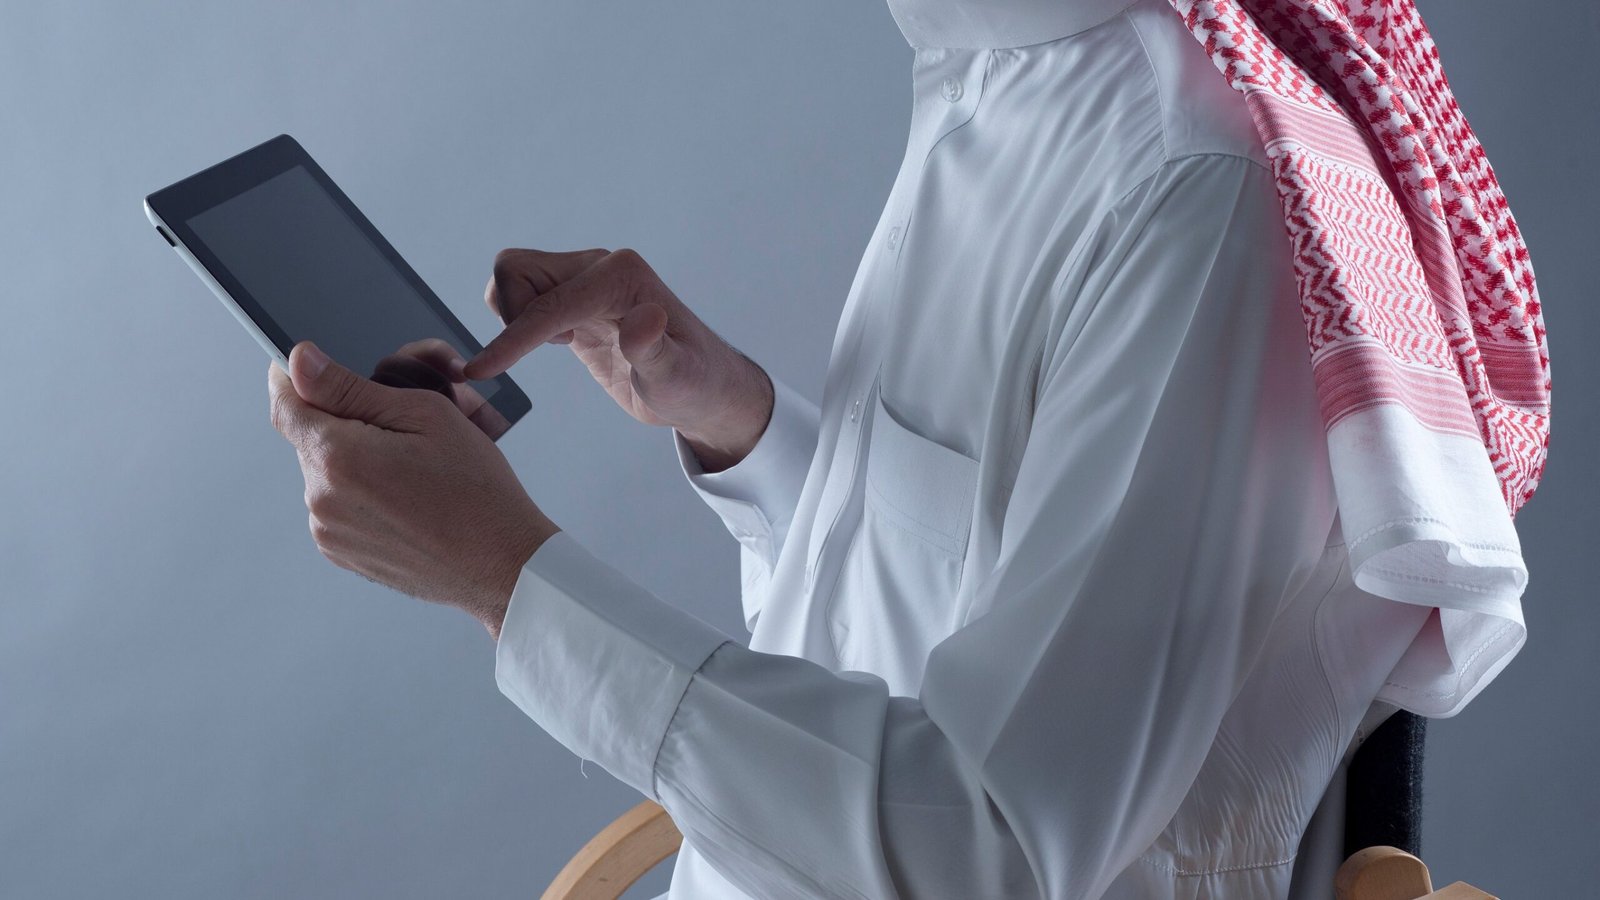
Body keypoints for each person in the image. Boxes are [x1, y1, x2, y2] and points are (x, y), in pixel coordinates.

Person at [265, 0, 1548, 896]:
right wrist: (729, 415)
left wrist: (506, 578)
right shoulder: (1012, 70)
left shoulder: (1190, 191)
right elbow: (948, 598)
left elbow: (992, 857)